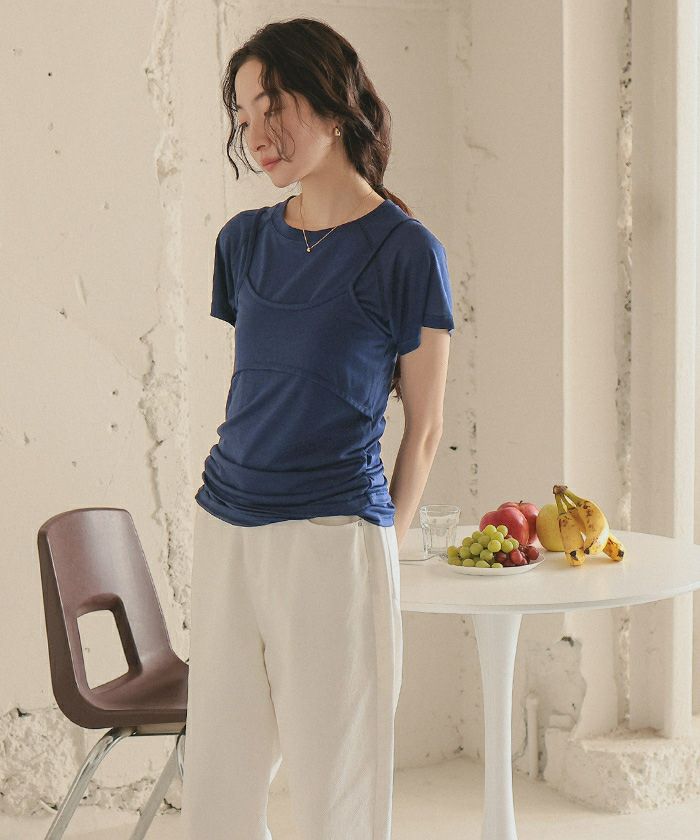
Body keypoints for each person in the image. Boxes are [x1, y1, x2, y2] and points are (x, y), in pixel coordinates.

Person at [181, 17, 454, 840]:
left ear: (333, 103)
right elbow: (269, 388)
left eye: (272, 106)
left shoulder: (407, 252)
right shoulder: (242, 242)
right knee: (218, 788)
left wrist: (385, 553)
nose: (256, 134)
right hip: (226, 525)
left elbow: (425, 425)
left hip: (333, 538)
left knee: (338, 791)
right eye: (242, 118)